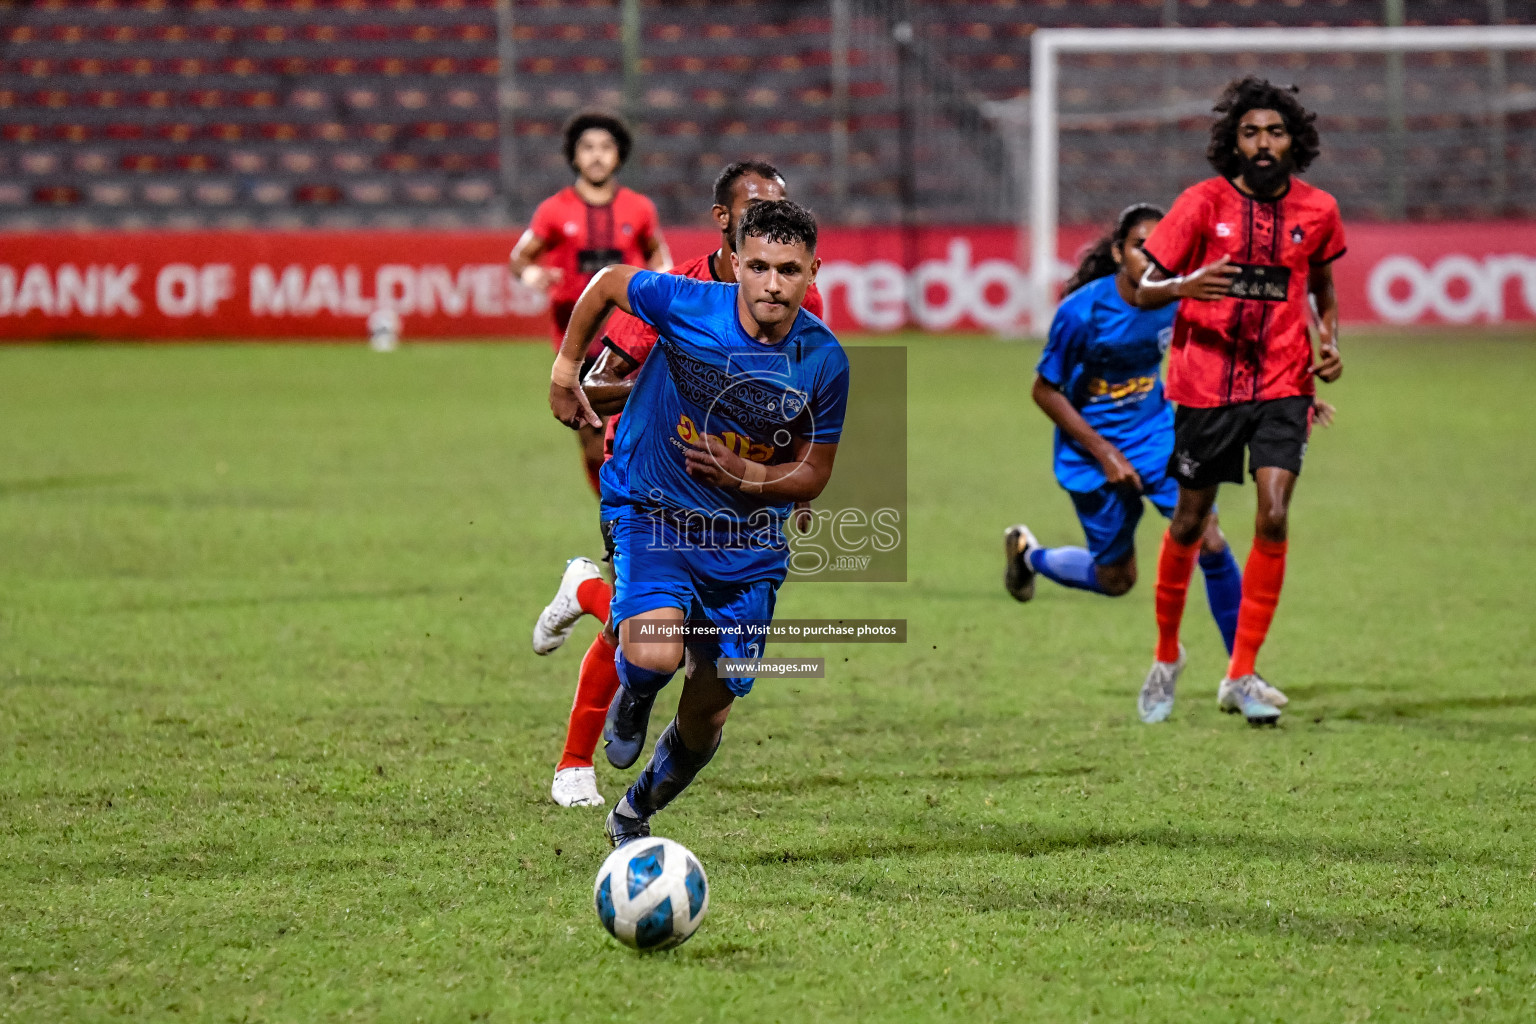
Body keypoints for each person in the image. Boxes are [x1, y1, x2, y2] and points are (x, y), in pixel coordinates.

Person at [547, 200, 849, 846]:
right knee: (656, 651)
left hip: (747, 545)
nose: (773, 283)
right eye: (760, 266)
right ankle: (636, 686)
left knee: (708, 713)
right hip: (656, 509)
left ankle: (634, 811)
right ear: (735, 263)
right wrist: (565, 367)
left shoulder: (825, 361)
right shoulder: (687, 303)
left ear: (813, 272)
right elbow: (605, 286)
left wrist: (747, 476)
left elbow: (816, 471)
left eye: (790, 270)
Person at [1132, 77, 1346, 726]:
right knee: (1190, 523)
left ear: (1293, 141)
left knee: (1274, 515)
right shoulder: (1200, 204)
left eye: (1275, 131)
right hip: (1206, 388)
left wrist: (1330, 342)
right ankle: (1167, 656)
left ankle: (1241, 672)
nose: (1262, 142)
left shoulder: (1318, 211)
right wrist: (1188, 284)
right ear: (1234, 140)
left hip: (1284, 383)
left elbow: (1323, 290)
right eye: (1251, 131)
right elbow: (1142, 287)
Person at [1003, 203, 1244, 724]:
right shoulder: (1081, 312)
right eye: (1141, 247)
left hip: (1157, 438)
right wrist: (1105, 452)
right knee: (1116, 580)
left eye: (1165, 250)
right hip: (1092, 455)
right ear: (1118, 252)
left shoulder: (1177, 298)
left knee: (1210, 537)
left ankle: (1242, 672)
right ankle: (1029, 556)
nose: (1154, 259)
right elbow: (1044, 390)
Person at [509, 111, 672, 496]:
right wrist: (532, 275)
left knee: (639, 441)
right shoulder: (554, 210)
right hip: (577, 347)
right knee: (593, 445)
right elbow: (520, 258)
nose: (597, 156)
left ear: (619, 155)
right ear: (574, 156)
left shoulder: (640, 209)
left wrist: (660, 286)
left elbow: (659, 257)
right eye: (588, 148)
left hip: (632, 344)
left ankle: (634, 527)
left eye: (605, 147)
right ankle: (614, 519)